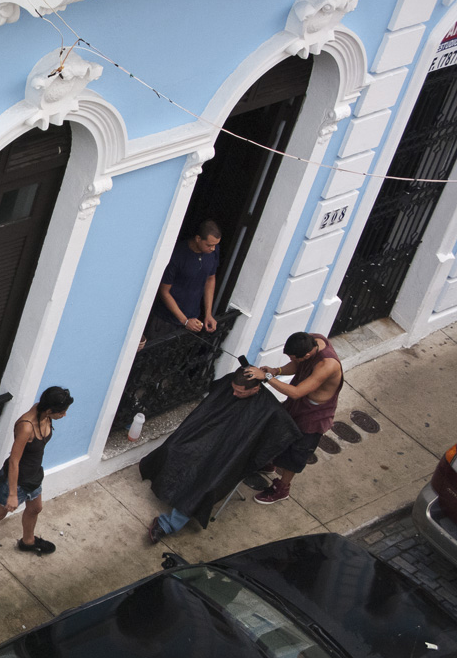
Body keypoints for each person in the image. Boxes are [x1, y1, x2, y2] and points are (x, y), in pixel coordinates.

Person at [143, 367, 300, 542]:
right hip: (207, 439)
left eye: (240, 392)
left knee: (207, 483)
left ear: (255, 389)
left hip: (229, 455)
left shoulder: (270, 410)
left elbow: (282, 434)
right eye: (233, 388)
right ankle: (168, 486)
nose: (233, 394)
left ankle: (168, 525)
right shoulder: (229, 385)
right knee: (173, 448)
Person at [0, 386, 73, 578]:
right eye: (62, 412)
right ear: (50, 410)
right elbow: (14, 461)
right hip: (15, 481)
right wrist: (11, 493)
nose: (65, 415)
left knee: (35, 508)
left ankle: (28, 541)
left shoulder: (45, 414)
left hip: (34, 476)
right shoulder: (27, 426)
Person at [243, 331, 343, 504]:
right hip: (296, 405)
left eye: (295, 357)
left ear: (308, 354)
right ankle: (271, 462)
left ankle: (282, 488)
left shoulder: (327, 365)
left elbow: (297, 393)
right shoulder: (311, 340)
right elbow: (297, 365)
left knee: (296, 452)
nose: (293, 360)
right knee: (278, 432)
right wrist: (276, 371)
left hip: (313, 414)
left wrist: (266, 377)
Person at [147, 220, 222, 340]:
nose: (213, 248)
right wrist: (185, 321)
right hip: (165, 320)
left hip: (193, 318)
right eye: (209, 245)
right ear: (198, 239)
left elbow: (210, 279)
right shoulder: (177, 256)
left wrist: (208, 314)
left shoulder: (213, 251)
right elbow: (164, 291)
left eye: (215, 245)